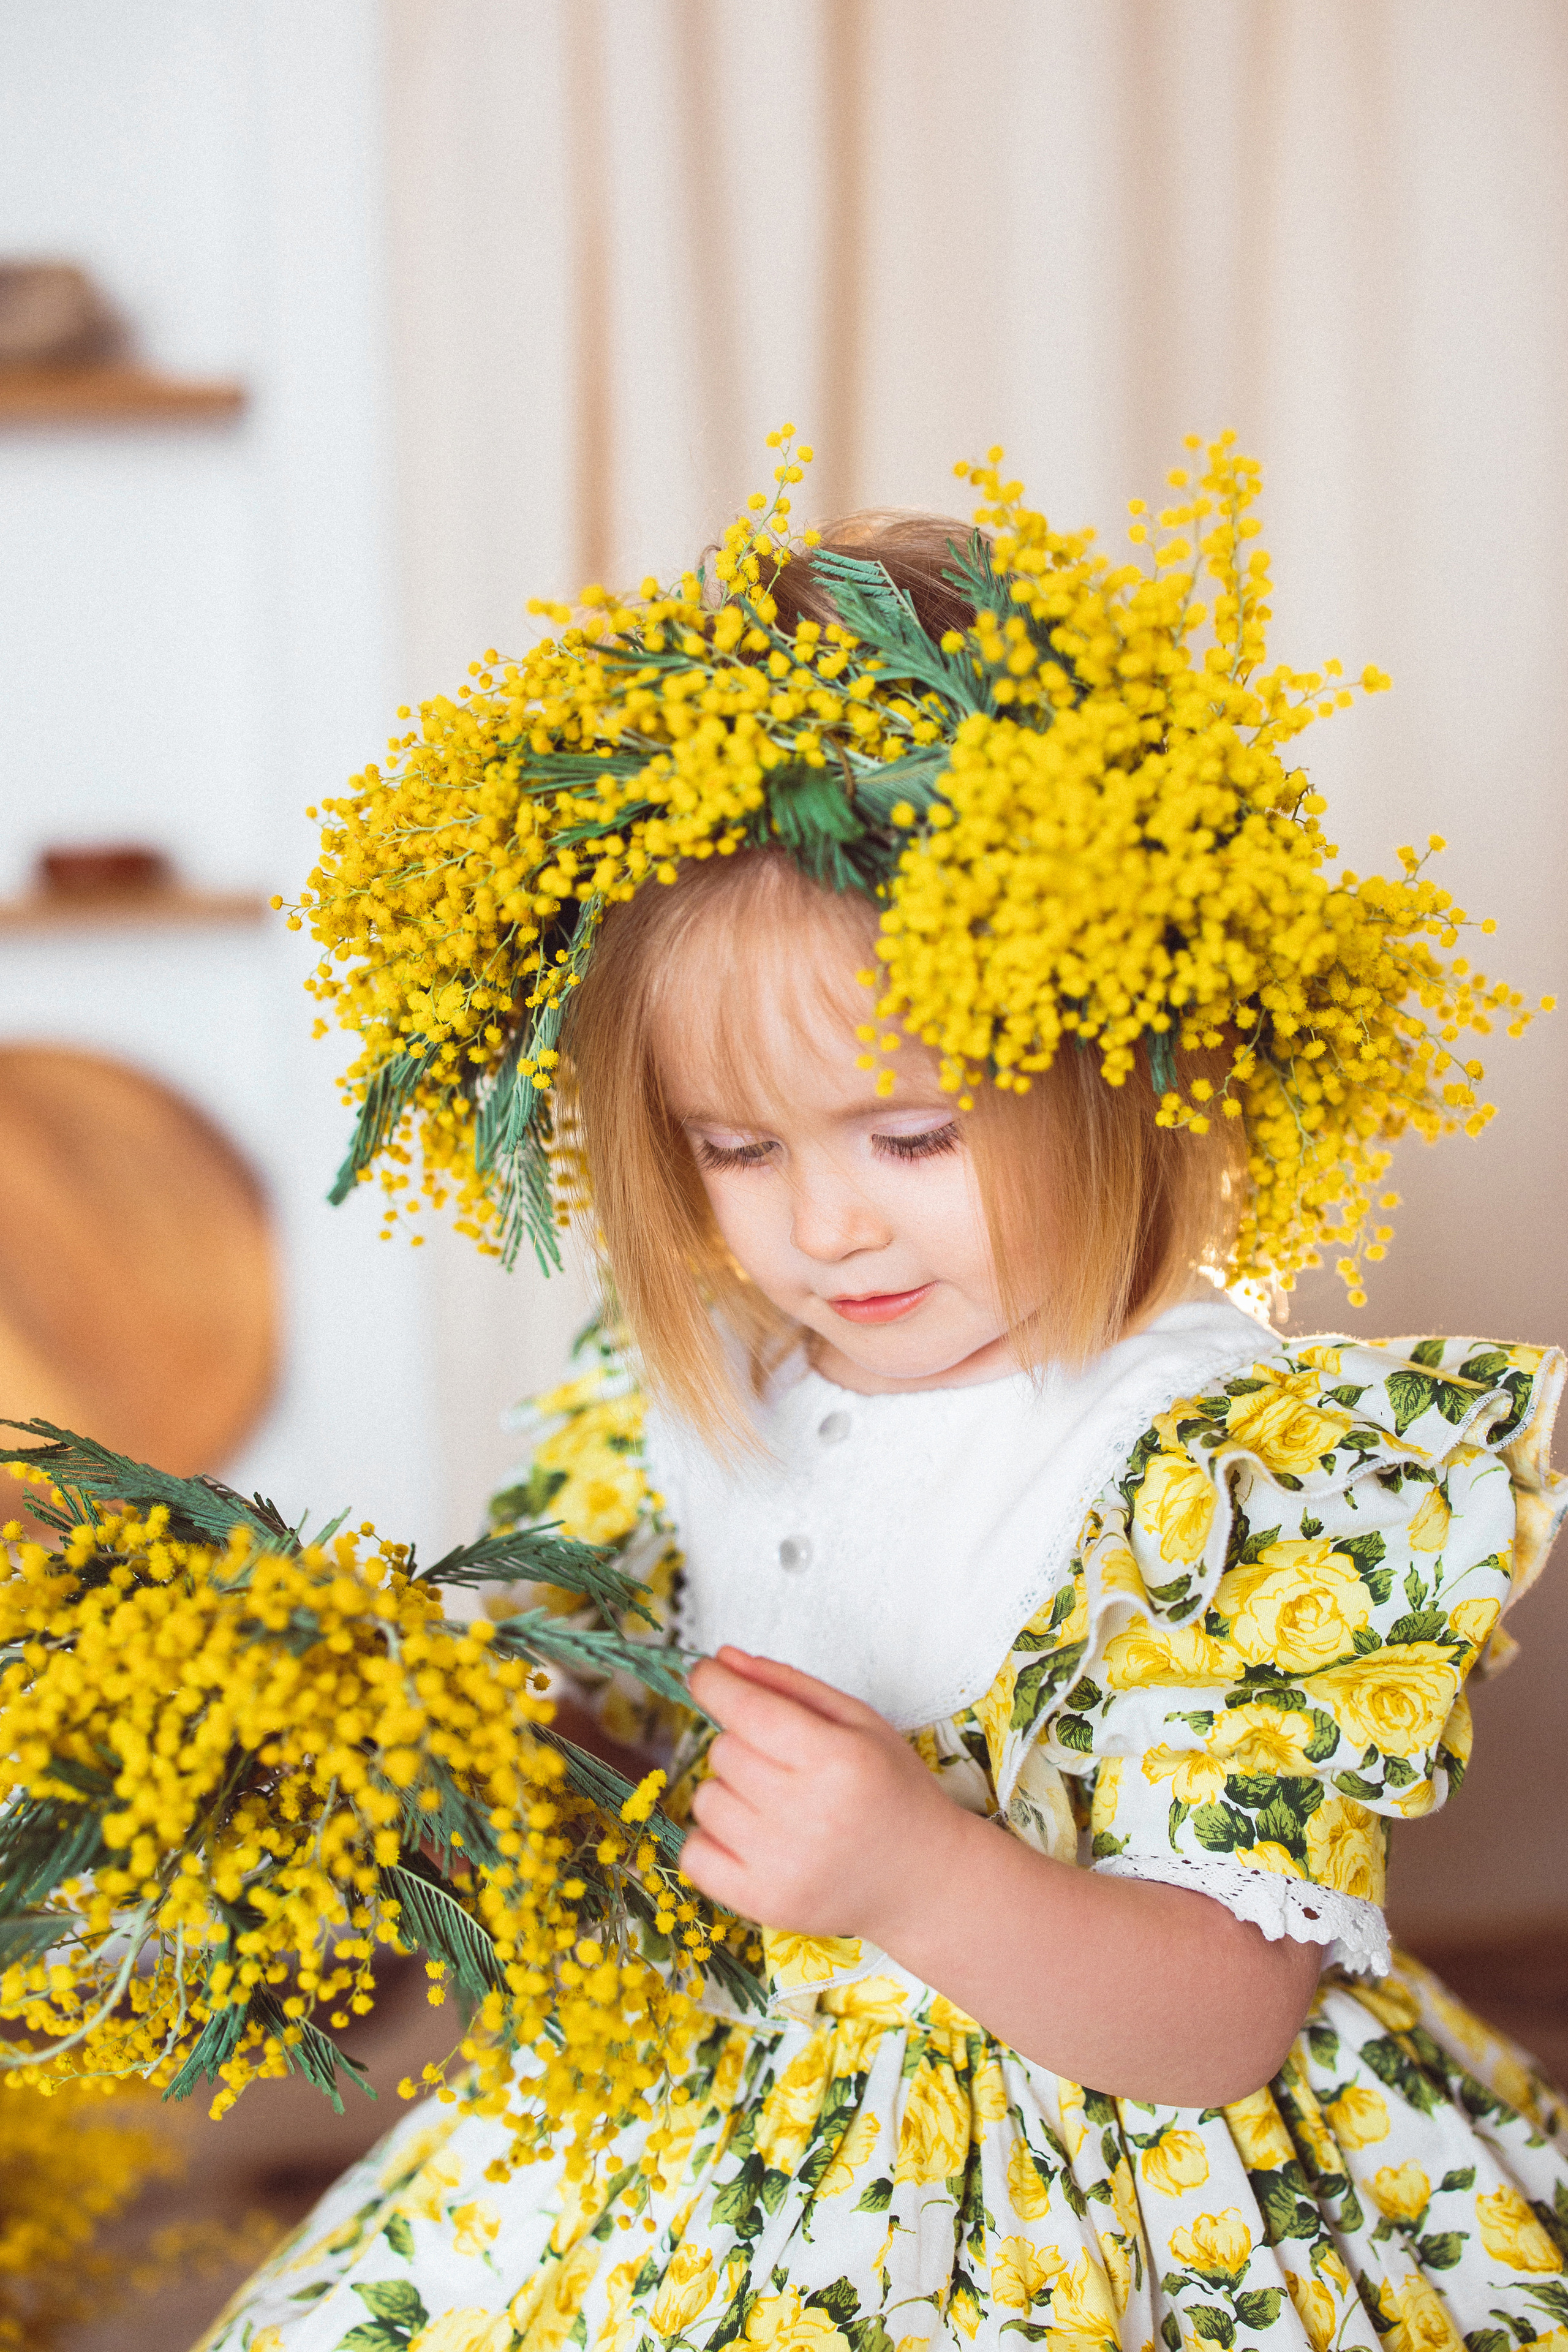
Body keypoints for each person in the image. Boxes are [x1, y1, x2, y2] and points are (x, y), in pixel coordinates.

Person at [203, 499, 1566, 2352]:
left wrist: (919, 1871)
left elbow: (1215, 2032)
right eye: (736, 1150)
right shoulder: (672, 1402)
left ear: (1132, 1067)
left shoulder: (1234, 1471)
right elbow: (588, 1759)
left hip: (1079, 2202)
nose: (821, 1224)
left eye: (907, 1136)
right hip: (684, 2149)